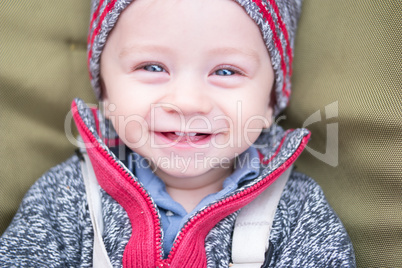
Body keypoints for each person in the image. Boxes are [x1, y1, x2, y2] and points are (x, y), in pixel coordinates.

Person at [0, 0, 355, 267]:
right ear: (105, 94)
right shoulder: (65, 199)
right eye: (152, 67)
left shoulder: (296, 213)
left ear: (269, 102)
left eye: (226, 71)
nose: (187, 102)